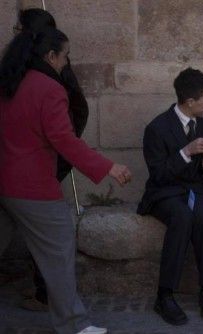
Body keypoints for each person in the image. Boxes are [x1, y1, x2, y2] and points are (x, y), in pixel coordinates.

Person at [0, 28, 131, 334]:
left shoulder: (9, 82)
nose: (66, 61)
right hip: (32, 188)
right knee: (58, 254)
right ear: (50, 56)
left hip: (5, 183)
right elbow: (64, 139)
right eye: (65, 55)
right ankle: (73, 325)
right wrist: (107, 166)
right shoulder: (48, 88)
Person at [5, 7, 91, 313]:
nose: (14, 34)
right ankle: (60, 308)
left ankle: (47, 296)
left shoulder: (49, 74)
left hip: (37, 165)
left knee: (47, 240)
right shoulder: (27, 75)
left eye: (18, 29)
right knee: (53, 241)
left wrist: (62, 158)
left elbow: (74, 116)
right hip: (30, 170)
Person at [137, 68, 203, 326]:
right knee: (183, 217)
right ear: (190, 102)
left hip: (195, 189)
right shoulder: (157, 128)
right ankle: (165, 295)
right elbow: (159, 174)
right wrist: (186, 151)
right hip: (164, 192)